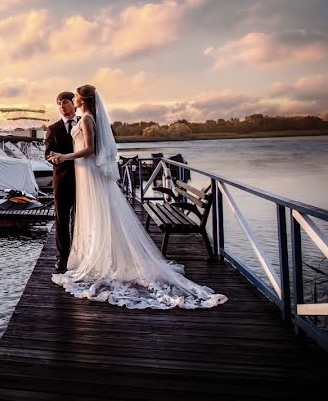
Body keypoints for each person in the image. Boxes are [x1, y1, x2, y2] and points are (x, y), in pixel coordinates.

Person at [47, 84, 227, 310]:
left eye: (74, 98)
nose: (71, 100)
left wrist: (65, 157)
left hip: (88, 171)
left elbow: (91, 149)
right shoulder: (87, 118)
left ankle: (104, 258)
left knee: (99, 212)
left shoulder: (86, 120)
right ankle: (97, 254)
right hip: (82, 173)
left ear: (82, 100)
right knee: (94, 213)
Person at [44, 91, 79, 274]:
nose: (62, 106)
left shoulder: (85, 122)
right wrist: (54, 158)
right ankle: (62, 258)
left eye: (65, 102)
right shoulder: (54, 128)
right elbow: (48, 154)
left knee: (80, 218)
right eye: (58, 103)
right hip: (62, 180)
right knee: (62, 219)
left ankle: (81, 254)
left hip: (83, 180)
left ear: (73, 103)